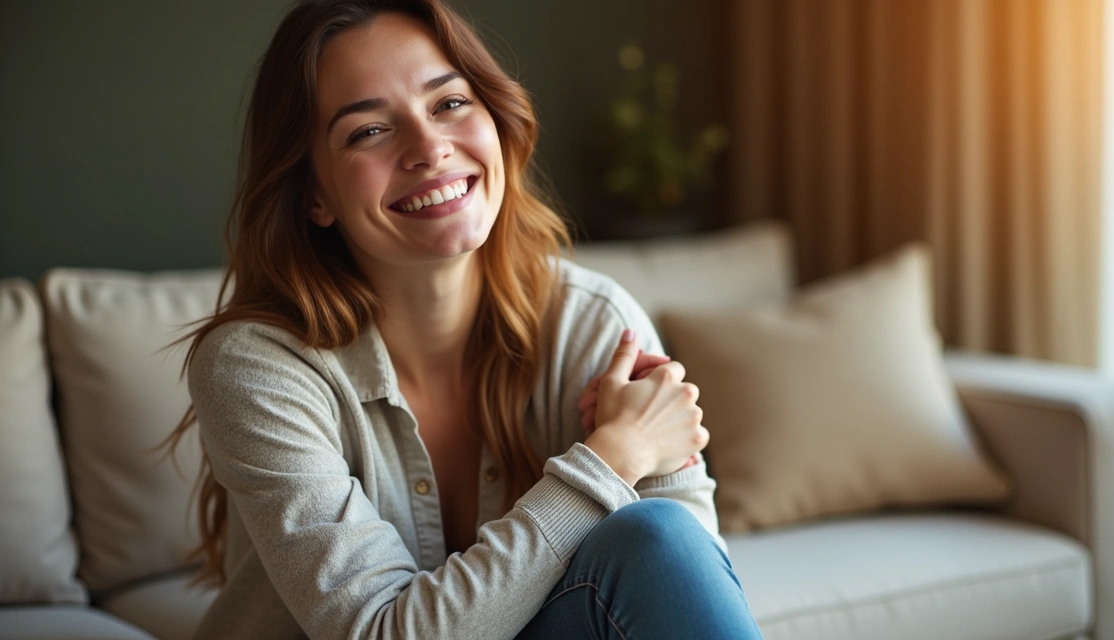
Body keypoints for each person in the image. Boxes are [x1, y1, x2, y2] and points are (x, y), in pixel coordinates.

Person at [163, 1, 763, 638]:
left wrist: (654, 457)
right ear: (315, 196)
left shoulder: (592, 325)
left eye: (449, 103)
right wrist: (611, 458)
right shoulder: (257, 365)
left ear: (495, 120)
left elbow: (683, 581)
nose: (429, 147)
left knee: (661, 539)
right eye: (368, 131)